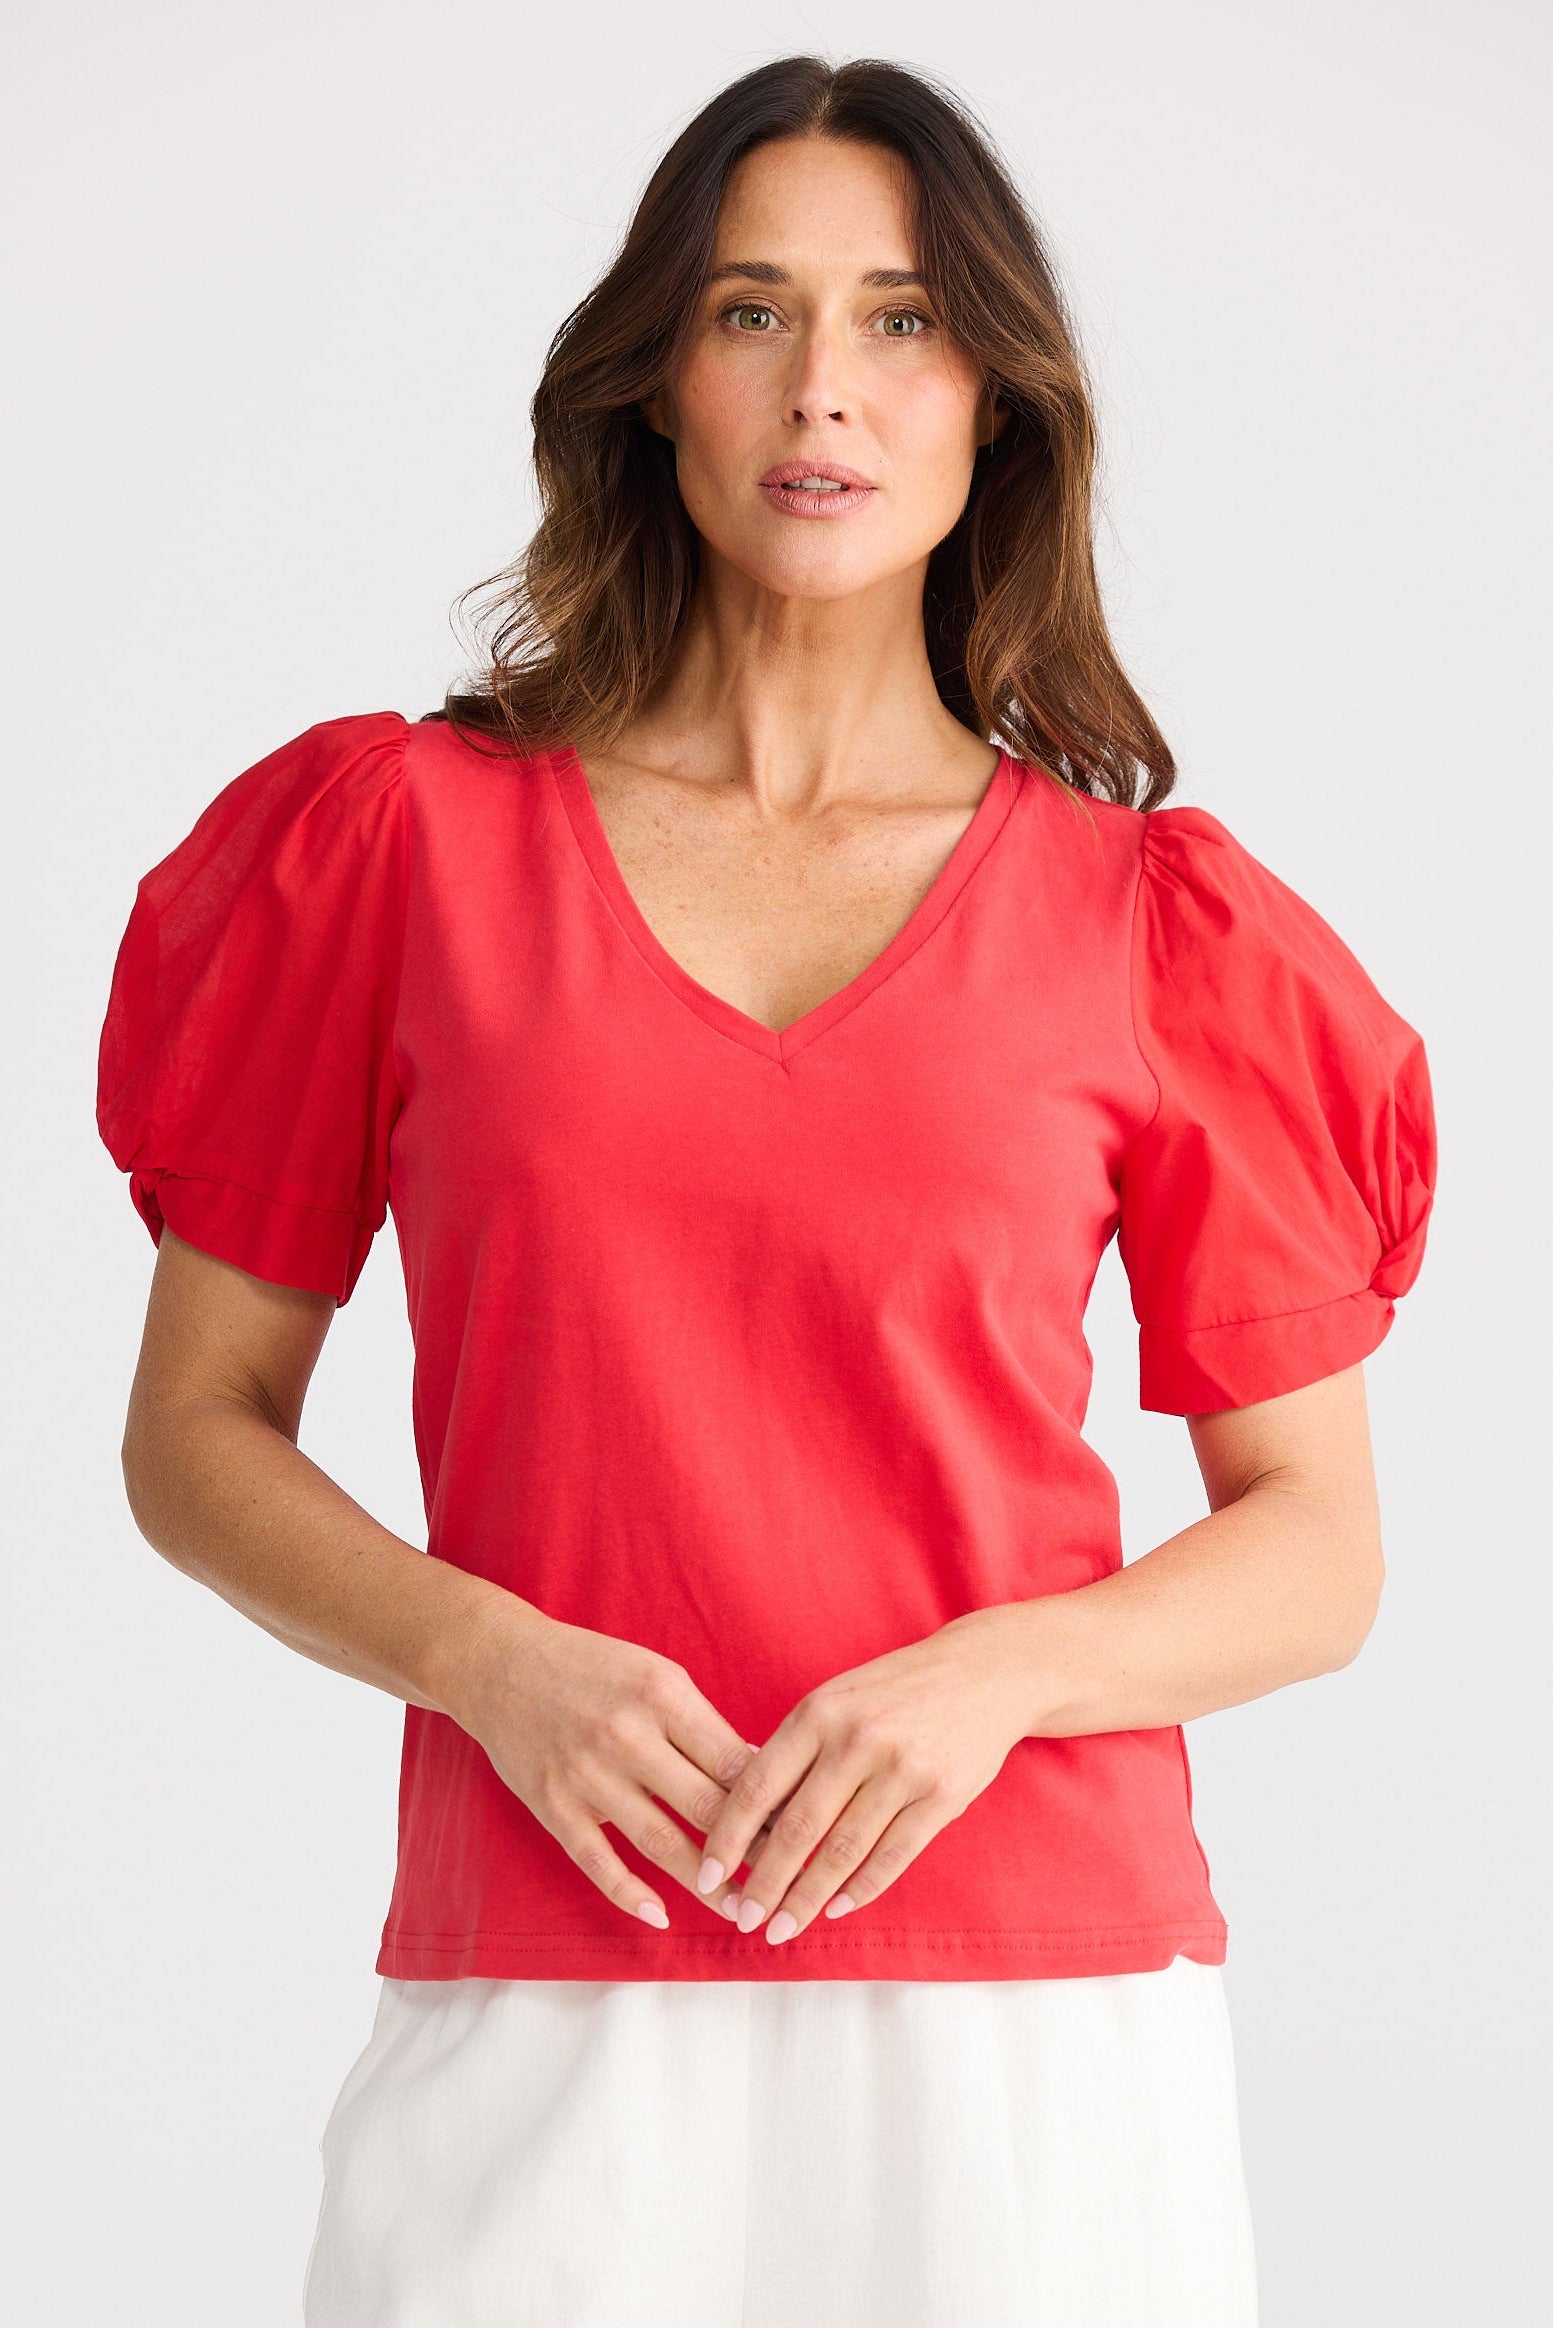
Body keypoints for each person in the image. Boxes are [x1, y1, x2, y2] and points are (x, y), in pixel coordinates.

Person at [95, 53, 1436, 2328]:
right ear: (655, 383)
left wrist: (999, 1683)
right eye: (752, 313)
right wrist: (484, 1658)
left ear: (995, 401)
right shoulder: (400, 851)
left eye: (905, 320)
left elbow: (1318, 1543)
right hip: (546, 1986)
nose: (828, 388)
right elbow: (194, 1434)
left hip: (1035, 2025)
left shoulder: (1153, 924)